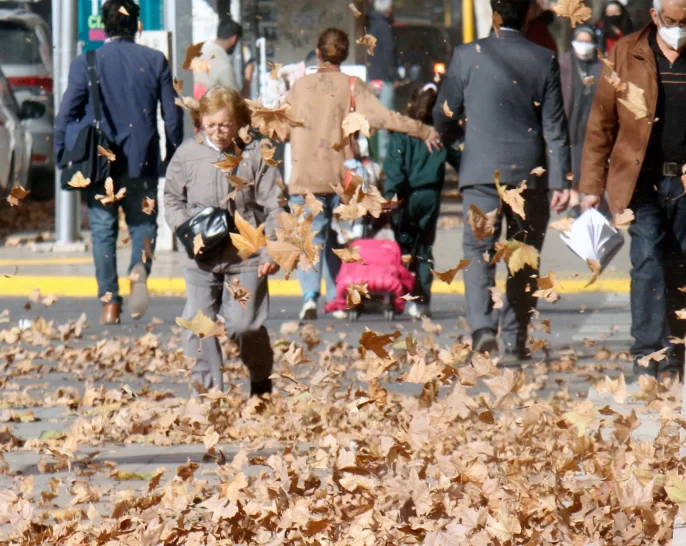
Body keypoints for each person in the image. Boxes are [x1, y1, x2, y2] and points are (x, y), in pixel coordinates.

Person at [580, 0, 686, 379]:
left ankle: (673, 351)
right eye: (671, 21)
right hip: (639, 180)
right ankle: (647, 355)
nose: (679, 29)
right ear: (653, 16)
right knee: (646, 263)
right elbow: (601, 124)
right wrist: (591, 186)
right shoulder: (626, 53)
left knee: (681, 269)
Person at [433, 0, 571, 365]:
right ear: (528, 14)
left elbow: (443, 111)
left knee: (478, 252)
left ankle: (482, 329)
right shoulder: (543, 59)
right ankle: (514, 339)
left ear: (493, 14)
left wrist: (454, 138)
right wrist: (560, 180)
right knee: (523, 257)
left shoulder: (466, 55)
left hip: (480, 173)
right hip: (530, 174)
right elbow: (555, 127)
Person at [285, 27, 440, 321]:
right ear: (343, 56)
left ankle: (309, 298)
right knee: (340, 241)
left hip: (304, 178)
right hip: (343, 179)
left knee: (310, 240)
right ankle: (338, 299)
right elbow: (385, 118)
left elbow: (278, 127)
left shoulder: (299, 88)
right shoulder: (353, 85)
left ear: (318, 54)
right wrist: (422, 129)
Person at [54, 0, 183, 325]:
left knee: (102, 230)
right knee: (144, 223)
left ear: (104, 27)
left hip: (98, 164)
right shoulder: (155, 60)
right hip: (143, 160)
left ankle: (110, 303)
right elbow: (172, 116)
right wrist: (174, 152)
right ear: (136, 26)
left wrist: (62, 153)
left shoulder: (87, 63)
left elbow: (66, 114)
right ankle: (139, 269)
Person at [163, 87, 282, 396]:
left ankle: (260, 379)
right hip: (201, 256)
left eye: (225, 125)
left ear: (237, 122)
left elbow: (275, 206)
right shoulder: (187, 154)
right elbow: (172, 200)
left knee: (243, 326)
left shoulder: (256, 153)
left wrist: (272, 249)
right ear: (201, 121)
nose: (217, 132)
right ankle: (209, 395)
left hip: (246, 255)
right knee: (197, 323)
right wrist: (186, 229)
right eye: (211, 125)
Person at [383, 83, 460, 319]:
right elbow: (459, 158)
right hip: (430, 196)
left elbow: (394, 168)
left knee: (402, 248)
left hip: (405, 197)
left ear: (411, 103)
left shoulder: (402, 133)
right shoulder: (440, 133)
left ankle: (398, 296)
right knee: (425, 248)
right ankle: (422, 301)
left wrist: (390, 194)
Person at [560, 25, 602, 218]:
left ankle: (589, 205)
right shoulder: (565, 63)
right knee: (574, 165)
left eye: (588, 42)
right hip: (571, 123)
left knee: (589, 163)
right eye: (580, 41)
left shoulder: (600, 65)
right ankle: (576, 205)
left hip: (592, 124)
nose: (584, 46)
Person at [368, 0, 398, 162]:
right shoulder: (385, 28)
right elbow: (389, 54)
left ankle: (375, 156)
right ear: (388, 10)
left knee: (374, 118)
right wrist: (393, 75)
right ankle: (384, 158)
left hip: (373, 77)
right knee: (386, 118)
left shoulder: (373, 26)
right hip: (384, 79)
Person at [193, 18, 242, 100]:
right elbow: (237, 101)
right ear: (234, 39)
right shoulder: (223, 64)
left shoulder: (202, 50)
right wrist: (248, 79)